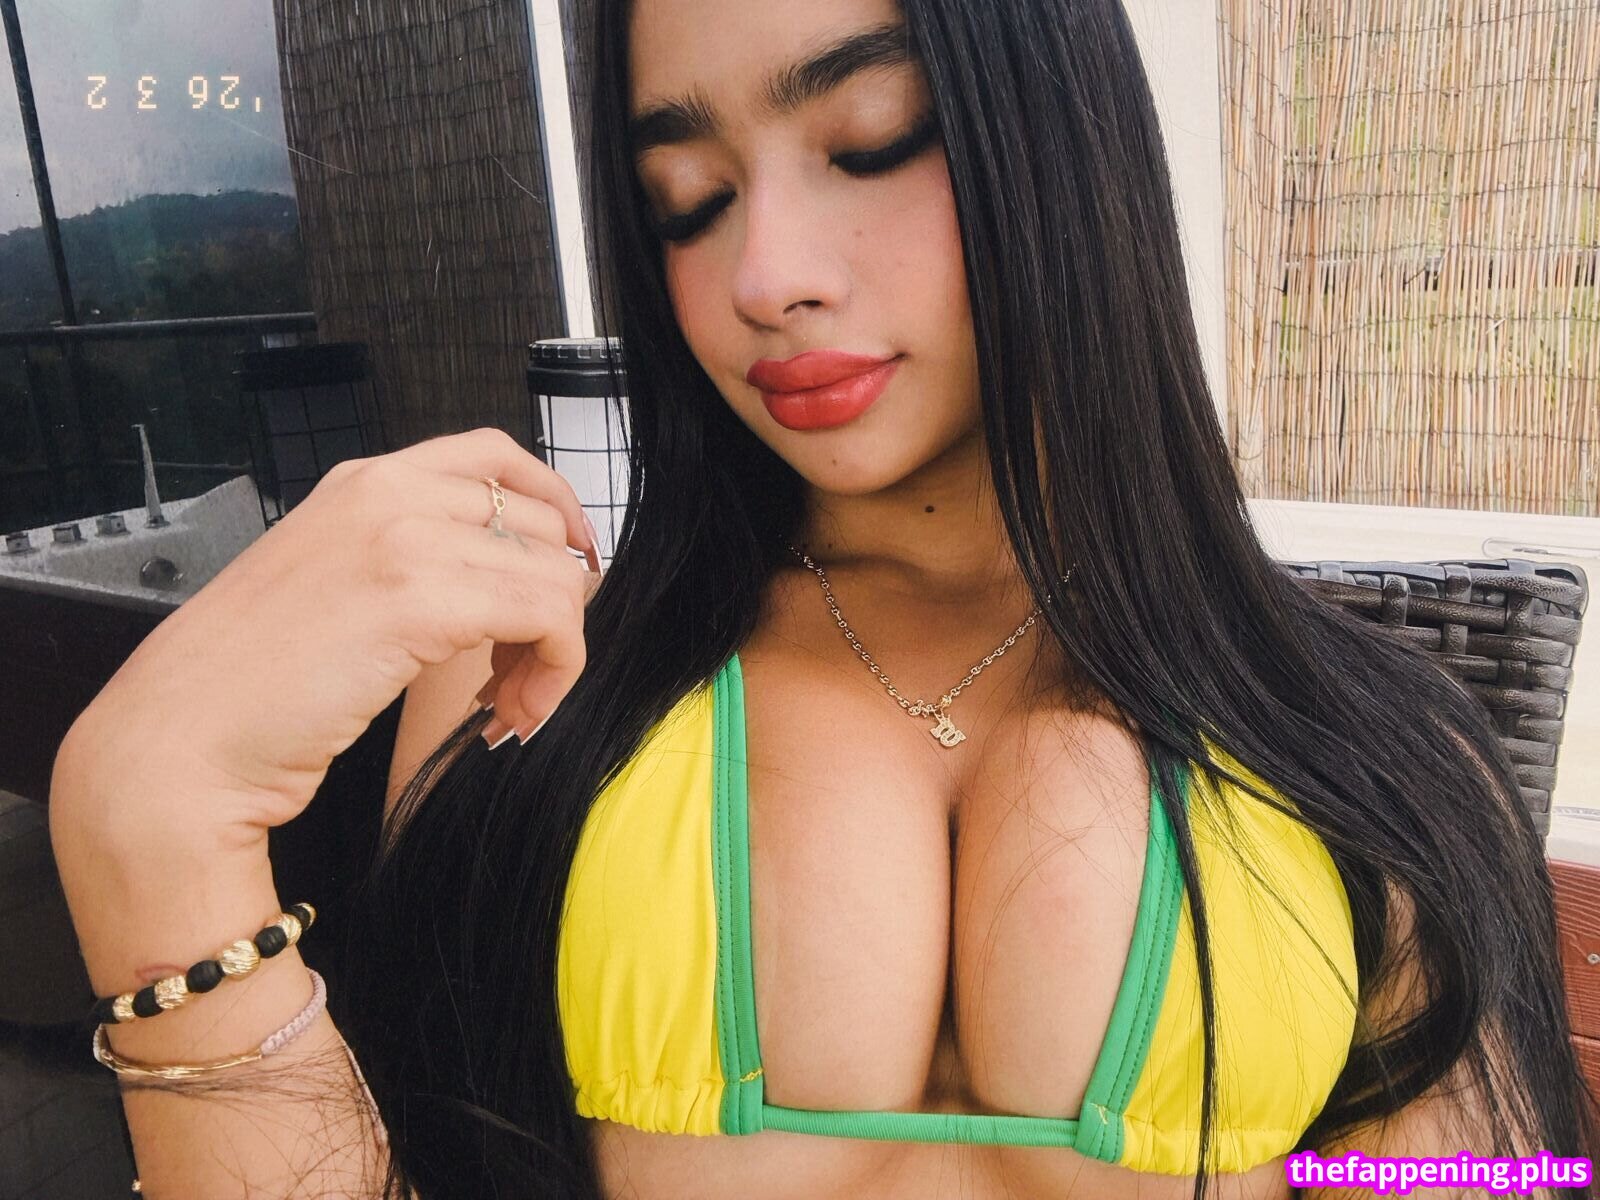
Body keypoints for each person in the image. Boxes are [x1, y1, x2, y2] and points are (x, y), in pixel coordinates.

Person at [49, 0, 1596, 1196]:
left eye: (870, 140)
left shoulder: (1379, 755)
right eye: (687, 200)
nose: (764, 275)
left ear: (1066, 145)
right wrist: (148, 826)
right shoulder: (527, 681)